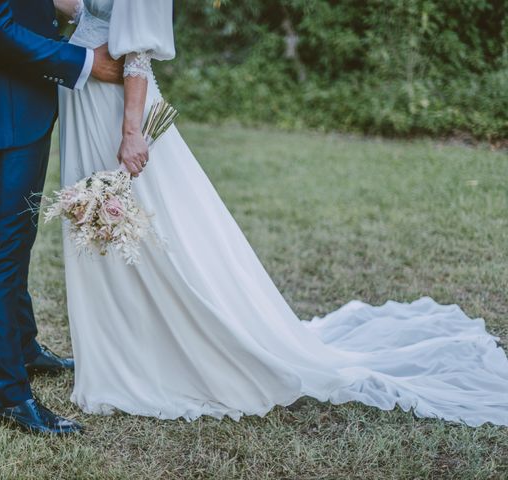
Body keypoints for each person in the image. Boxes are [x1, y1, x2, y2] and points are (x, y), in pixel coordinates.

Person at [58, 0, 508, 427]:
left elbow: (136, 51)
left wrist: (132, 132)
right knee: (106, 230)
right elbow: (91, 9)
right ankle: (121, 350)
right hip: (89, 97)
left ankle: (155, 356)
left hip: (120, 109)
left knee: (145, 230)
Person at [0, 0, 124, 434]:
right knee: (1, 251)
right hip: (3, 113)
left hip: (27, 106)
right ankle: (8, 396)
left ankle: (25, 349)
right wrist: (83, 61)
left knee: (18, 239)